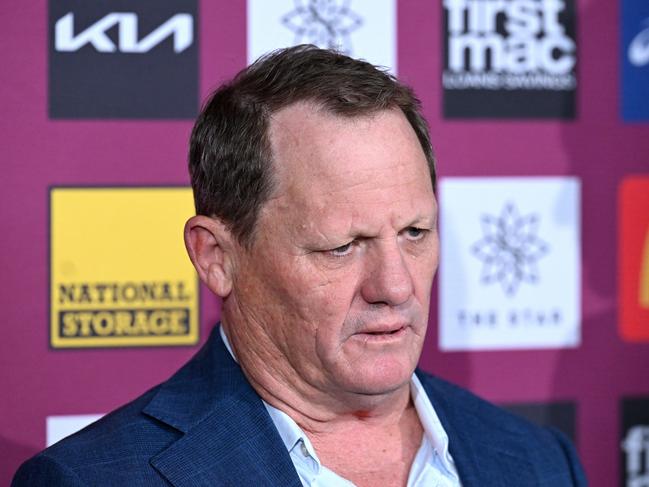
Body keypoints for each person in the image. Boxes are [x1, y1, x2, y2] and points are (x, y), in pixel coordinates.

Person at [13, 45, 587, 486]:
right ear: (217, 257)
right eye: (341, 246)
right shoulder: (96, 478)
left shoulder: (539, 460)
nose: (395, 285)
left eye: (414, 233)